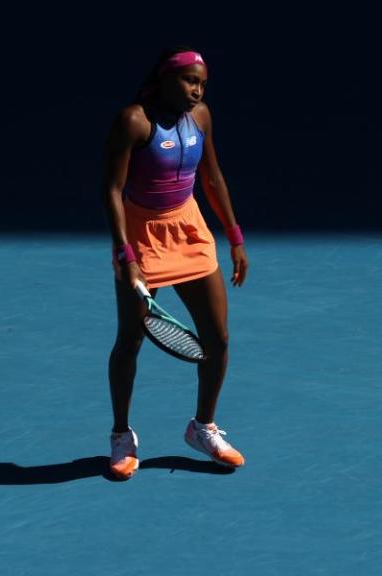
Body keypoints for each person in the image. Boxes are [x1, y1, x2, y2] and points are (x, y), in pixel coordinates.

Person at [101, 46, 249, 480]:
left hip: (190, 229)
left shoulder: (201, 116)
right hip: (141, 235)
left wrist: (235, 236)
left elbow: (212, 176)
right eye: (190, 81)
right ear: (165, 79)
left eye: (202, 84)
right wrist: (124, 255)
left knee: (217, 338)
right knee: (130, 340)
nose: (197, 90)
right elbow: (110, 190)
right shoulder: (133, 120)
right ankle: (121, 436)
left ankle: (203, 427)